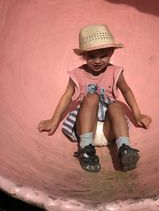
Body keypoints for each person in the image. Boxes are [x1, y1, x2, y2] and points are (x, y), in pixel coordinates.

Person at [38, 24, 152, 172]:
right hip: (85, 128)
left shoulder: (115, 72)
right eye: (91, 56)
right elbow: (67, 96)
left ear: (111, 53)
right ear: (83, 56)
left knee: (115, 105)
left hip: (109, 131)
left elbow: (126, 91)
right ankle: (86, 150)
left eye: (103, 55)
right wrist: (54, 120)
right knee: (91, 97)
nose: (97, 61)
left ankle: (124, 148)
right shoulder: (77, 74)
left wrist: (137, 114)